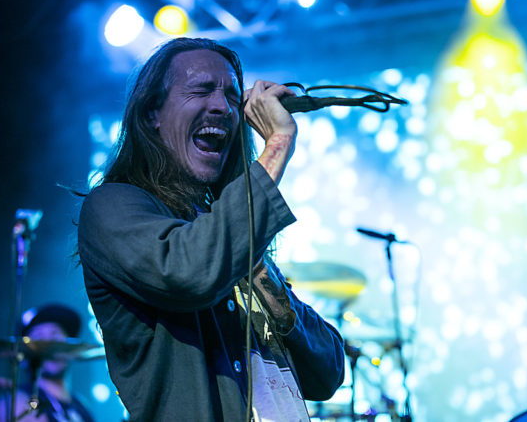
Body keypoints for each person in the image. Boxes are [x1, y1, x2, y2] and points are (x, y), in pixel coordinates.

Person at [77, 37, 345, 421]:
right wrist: (277, 145)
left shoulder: (226, 232)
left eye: (233, 97)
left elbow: (329, 373)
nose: (221, 106)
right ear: (153, 112)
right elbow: (189, 273)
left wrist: (272, 291)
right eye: (201, 90)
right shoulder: (113, 207)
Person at [0, 304, 95, 422]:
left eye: (55, 335)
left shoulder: (81, 405)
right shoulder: (16, 403)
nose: (48, 346)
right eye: (39, 338)